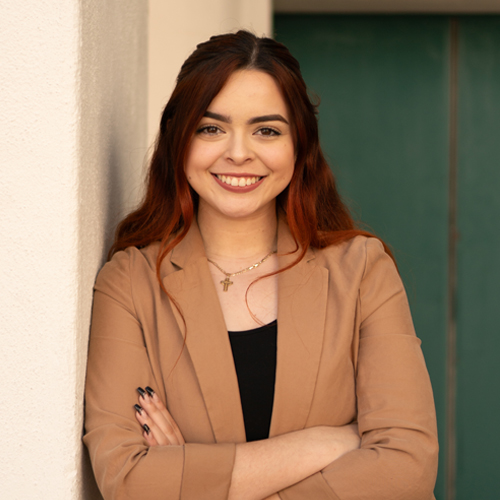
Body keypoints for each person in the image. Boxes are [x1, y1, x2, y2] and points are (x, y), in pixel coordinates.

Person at [83, 30, 438, 500]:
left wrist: (193, 477)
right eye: (211, 128)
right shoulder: (129, 283)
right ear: (178, 140)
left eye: (266, 130)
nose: (238, 152)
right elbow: (129, 481)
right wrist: (326, 443)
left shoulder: (362, 271)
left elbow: (406, 467)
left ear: (299, 146)